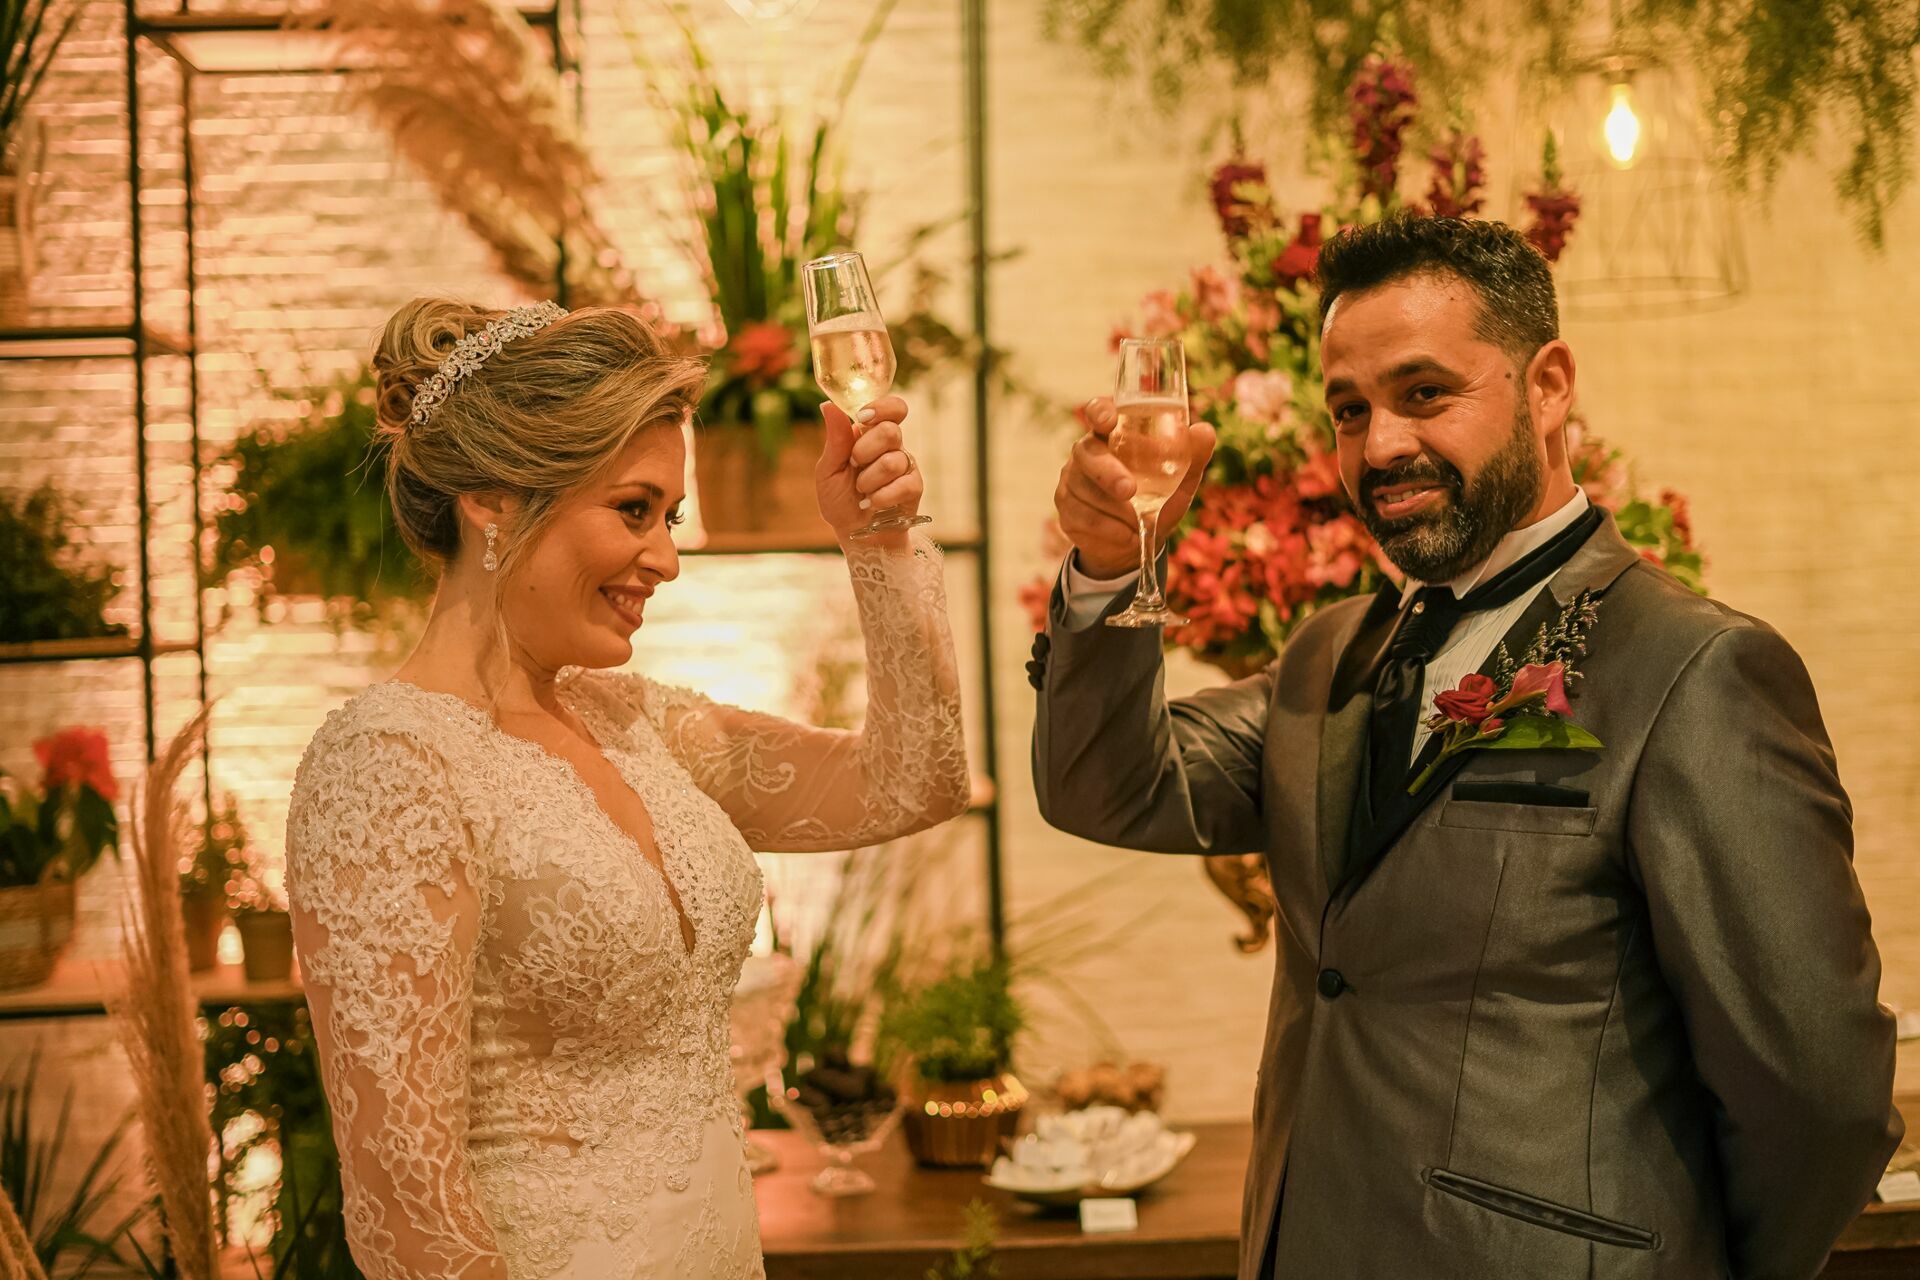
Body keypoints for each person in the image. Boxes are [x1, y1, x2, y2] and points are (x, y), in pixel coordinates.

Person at [1031, 214, 1900, 1280]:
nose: (1380, 446)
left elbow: (1820, 1090)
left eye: (1425, 393)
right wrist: (1108, 565)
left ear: (1548, 386)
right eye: (1350, 409)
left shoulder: (1696, 670)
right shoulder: (1326, 656)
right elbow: (1105, 785)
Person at [284, 298, 970, 1279]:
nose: (668, 559)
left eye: (670, 517)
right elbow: (408, 1207)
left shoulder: (642, 725)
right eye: (634, 510)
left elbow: (913, 782)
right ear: (492, 499)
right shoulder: (389, 767)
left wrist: (880, 542)